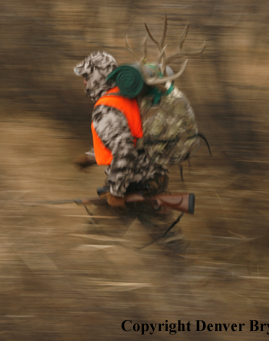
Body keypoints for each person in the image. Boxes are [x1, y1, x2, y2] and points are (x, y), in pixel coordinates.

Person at [73, 50, 188, 254]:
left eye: (86, 76)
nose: (84, 82)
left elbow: (124, 150)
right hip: (153, 179)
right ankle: (185, 277)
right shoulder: (127, 98)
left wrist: (116, 192)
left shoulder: (105, 108)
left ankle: (88, 276)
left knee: (94, 247)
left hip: (131, 184)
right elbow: (132, 137)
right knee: (170, 247)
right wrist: (91, 157)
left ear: (99, 75)